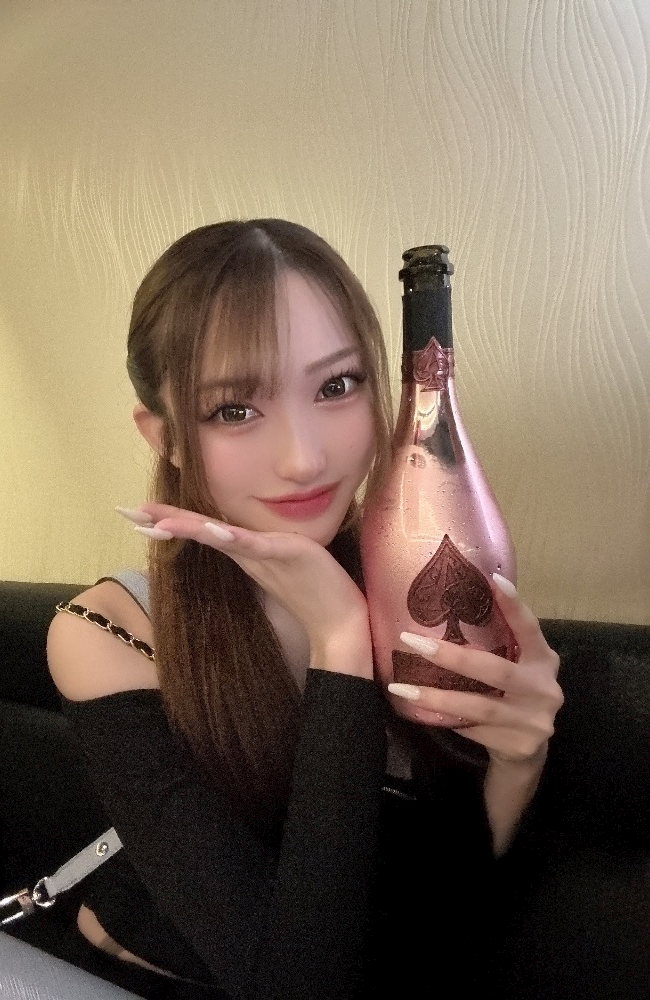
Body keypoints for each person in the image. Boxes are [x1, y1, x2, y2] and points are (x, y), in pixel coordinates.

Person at [46, 219, 563, 999]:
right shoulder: (110, 632)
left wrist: (519, 763)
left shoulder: (421, 582)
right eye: (232, 410)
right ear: (167, 437)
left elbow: (447, 909)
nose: (304, 458)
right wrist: (339, 638)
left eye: (336, 386)